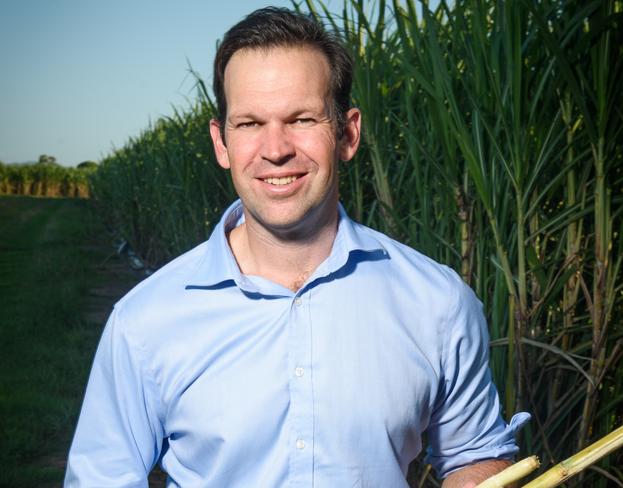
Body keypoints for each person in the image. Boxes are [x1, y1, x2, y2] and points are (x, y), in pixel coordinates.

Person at [65, 7, 528, 487]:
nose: (276, 148)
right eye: (248, 124)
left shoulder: (438, 303)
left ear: (347, 133)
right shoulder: (144, 321)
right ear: (221, 143)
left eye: (302, 118)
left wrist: (478, 473)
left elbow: (474, 453)